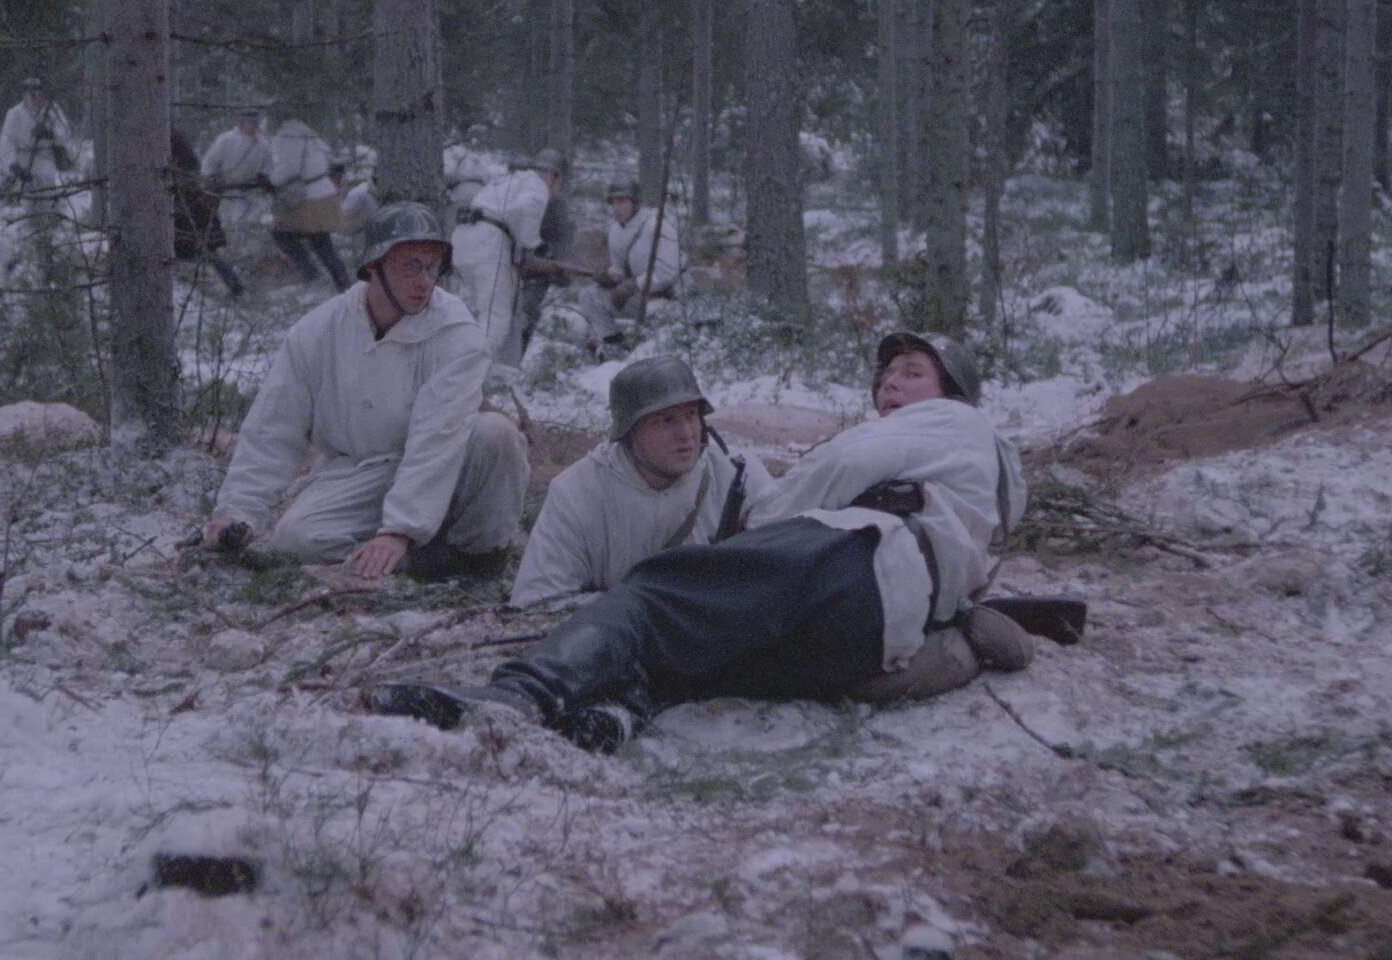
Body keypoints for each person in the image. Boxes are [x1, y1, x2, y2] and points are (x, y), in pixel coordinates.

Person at [369, 331, 1034, 752]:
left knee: (657, 590)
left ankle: (521, 695)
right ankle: (620, 711)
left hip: (859, 564)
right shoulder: (987, 473)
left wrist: (761, 537)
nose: (890, 383)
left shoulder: (947, 422)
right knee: (711, 646)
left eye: (910, 372)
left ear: (953, 394)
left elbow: (841, 465)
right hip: (875, 629)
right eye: (885, 374)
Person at [204, 202, 530, 580]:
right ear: (374, 267)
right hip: (362, 472)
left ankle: (478, 559)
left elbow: (437, 435)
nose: (425, 282)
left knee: (495, 435)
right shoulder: (319, 331)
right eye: (410, 267)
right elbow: (273, 427)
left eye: (432, 268)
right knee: (297, 539)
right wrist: (239, 511)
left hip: (447, 461)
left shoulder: (457, 334)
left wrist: (401, 529)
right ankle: (422, 564)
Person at [510, 356, 776, 611]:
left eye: (691, 414)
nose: (686, 434)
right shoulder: (577, 492)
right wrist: (641, 608)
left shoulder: (736, 473)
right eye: (666, 420)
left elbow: (785, 570)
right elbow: (536, 602)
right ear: (630, 431)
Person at [449, 148, 562, 367]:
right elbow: (525, 207)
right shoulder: (537, 184)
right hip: (488, 242)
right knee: (496, 316)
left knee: (474, 311)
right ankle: (471, 370)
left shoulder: (506, 181)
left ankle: (461, 360)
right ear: (553, 176)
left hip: (464, 240)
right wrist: (531, 244)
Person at [578, 178, 682, 360]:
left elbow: (668, 272)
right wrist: (610, 278)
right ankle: (613, 345)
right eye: (613, 202)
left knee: (657, 345)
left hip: (670, 300)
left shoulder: (658, 226)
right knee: (589, 295)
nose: (616, 208)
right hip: (639, 298)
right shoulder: (615, 231)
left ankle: (653, 351)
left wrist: (632, 285)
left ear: (635, 203)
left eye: (622, 201)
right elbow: (619, 270)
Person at [266, 119, 350, 288]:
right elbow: (331, 160)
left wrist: (270, 180)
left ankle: (312, 275)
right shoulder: (311, 135)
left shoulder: (287, 137)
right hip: (325, 194)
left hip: (308, 198)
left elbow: (289, 169)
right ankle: (344, 285)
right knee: (323, 244)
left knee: (281, 233)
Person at [171, 130, 246, 297]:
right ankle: (231, 286)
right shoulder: (176, 142)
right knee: (206, 251)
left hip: (186, 207)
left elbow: (188, 175)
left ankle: (232, 287)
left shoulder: (172, 142)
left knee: (205, 250)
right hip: (189, 205)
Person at [516, 150, 576, 356]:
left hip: (537, 272)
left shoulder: (558, 209)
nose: (541, 179)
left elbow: (564, 252)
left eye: (547, 174)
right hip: (507, 265)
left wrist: (554, 266)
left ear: (557, 179)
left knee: (528, 308)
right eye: (538, 173)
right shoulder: (520, 197)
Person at [0, 77, 75, 205]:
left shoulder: (51, 110)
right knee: (25, 197)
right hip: (22, 158)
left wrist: (49, 134)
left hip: (45, 157)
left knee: (47, 189)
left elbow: (65, 134)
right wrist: (13, 165)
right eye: (29, 92)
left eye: (37, 91)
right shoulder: (14, 113)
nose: (33, 96)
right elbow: (7, 142)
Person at [201, 107, 272, 239]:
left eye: (255, 123)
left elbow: (268, 165)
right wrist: (211, 178)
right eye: (249, 122)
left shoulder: (263, 144)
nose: (252, 126)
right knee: (228, 224)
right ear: (241, 122)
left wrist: (264, 177)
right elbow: (210, 162)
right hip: (227, 190)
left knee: (251, 226)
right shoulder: (226, 139)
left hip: (251, 192)